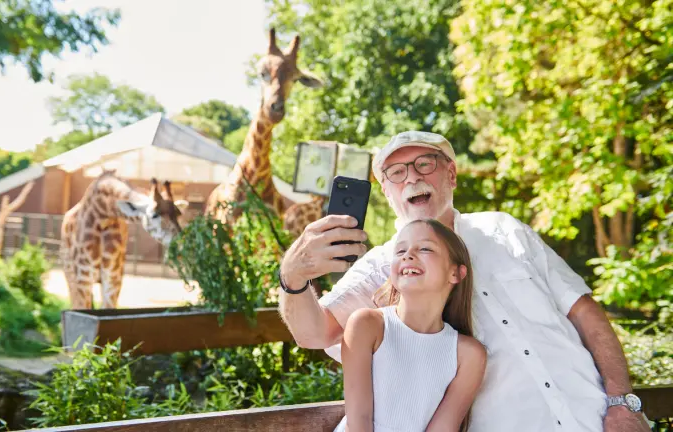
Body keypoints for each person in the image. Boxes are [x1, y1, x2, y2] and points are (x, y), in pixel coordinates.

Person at [277, 131, 650, 432]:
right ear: (387, 193)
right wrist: (292, 277)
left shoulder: (504, 228)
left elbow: (583, 310)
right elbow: (315, 333)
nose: (412, 177)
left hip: (599, 415)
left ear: (451, 174)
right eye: (396, 172)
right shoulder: (387, 265)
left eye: (425, 164)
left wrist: (622, 401)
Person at [338, 218, 486, 432]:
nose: (408, 255)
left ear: (455, 273)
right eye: (400, 251)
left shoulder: (469, 355)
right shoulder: (367, 325)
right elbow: (358, 421)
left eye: (425, 248)